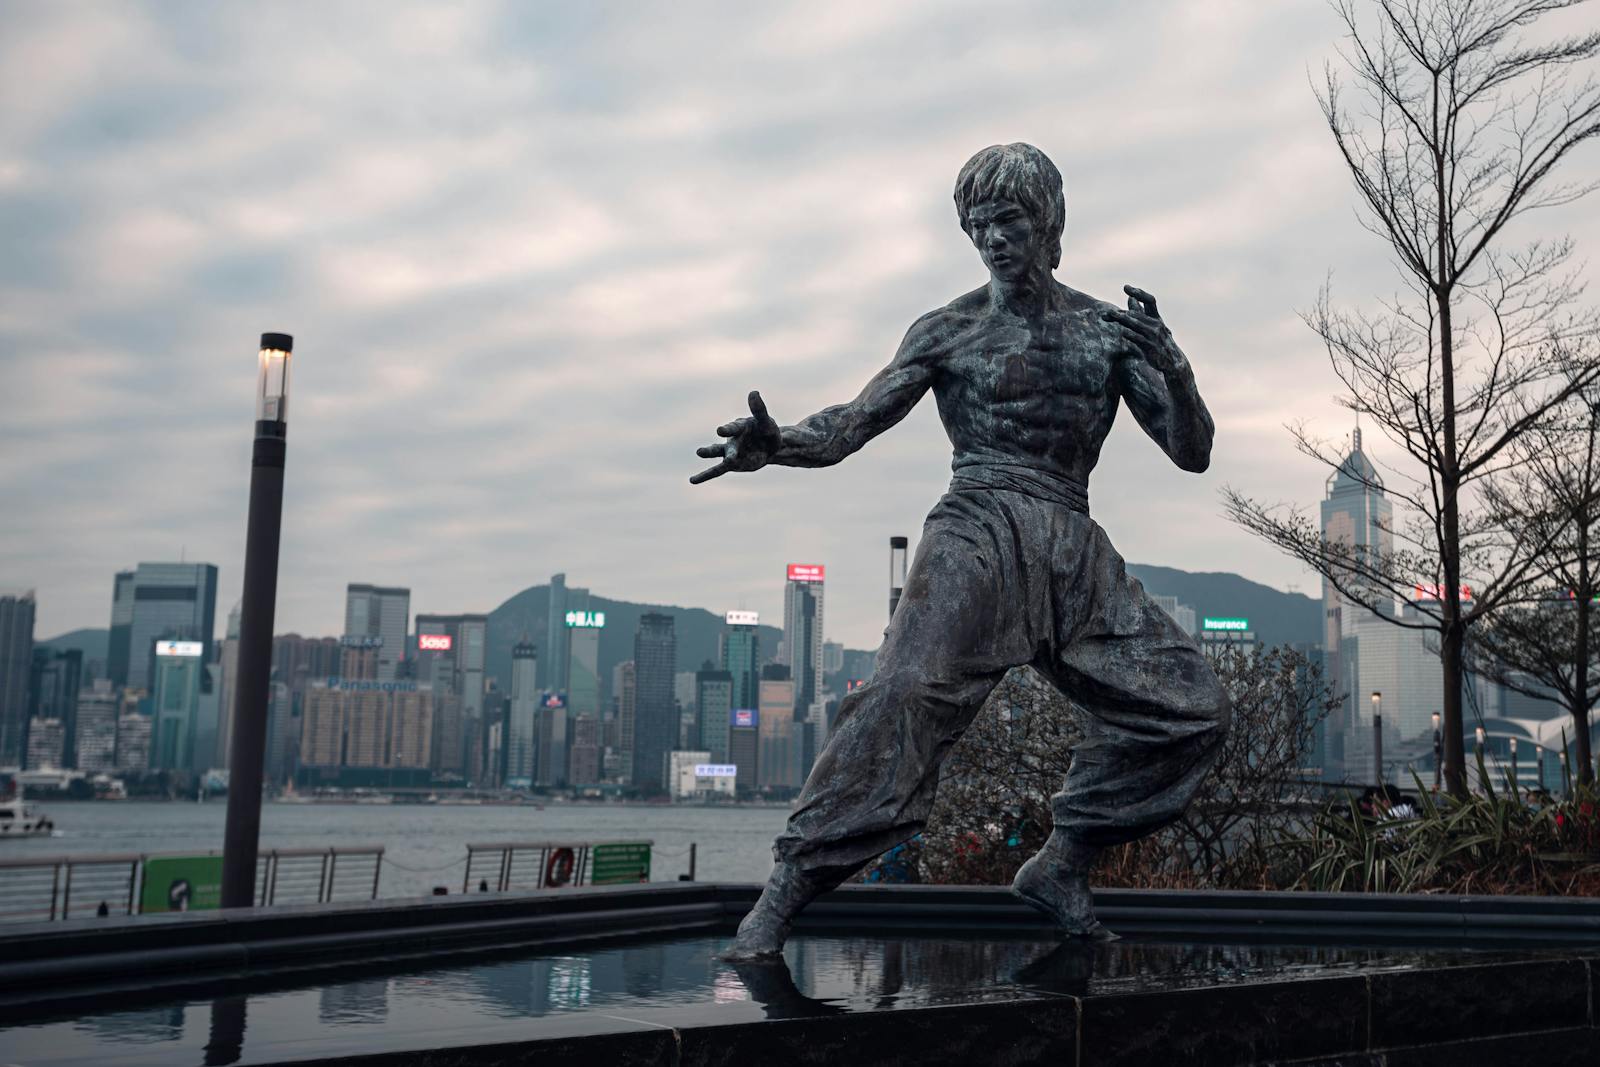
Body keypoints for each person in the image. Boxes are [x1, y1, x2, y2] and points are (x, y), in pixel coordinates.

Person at [691, 143, 1232, 959]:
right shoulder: (947, 330)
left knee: (1194, 710)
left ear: (1046, 224)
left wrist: (1179, 371)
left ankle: (1063, 862)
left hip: (1071, 540)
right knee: (901, 695)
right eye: (978, 226)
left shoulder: (1107, 336)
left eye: (1007, 221)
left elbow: (1192, 453)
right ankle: (782, 897)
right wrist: (779, 443)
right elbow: (851, 424)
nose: (992, 240)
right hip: (976, 526)